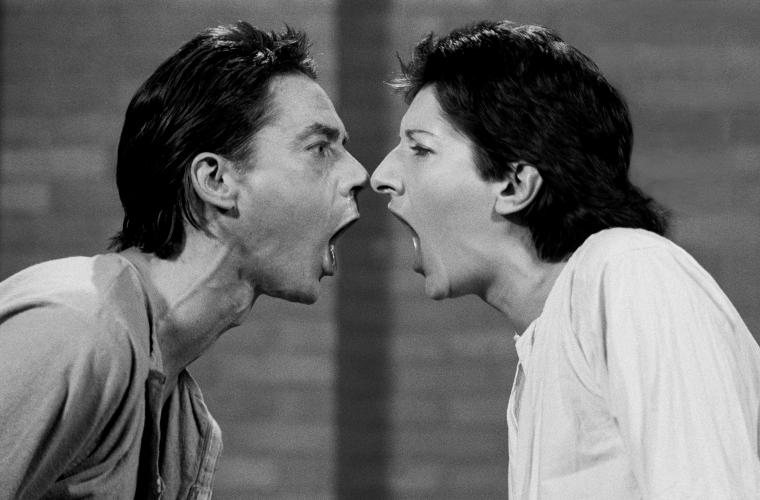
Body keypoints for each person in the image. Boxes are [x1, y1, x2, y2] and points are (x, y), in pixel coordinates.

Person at [371, 20, 760, 499]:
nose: (382, 175)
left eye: (420, 149)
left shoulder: (630, 271)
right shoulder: (545, 347)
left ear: (515, 185)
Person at [0, 21, 367, 499]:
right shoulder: (76, 330)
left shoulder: (185, 422)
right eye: (320, 149)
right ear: (215, 180)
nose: (360, 173)